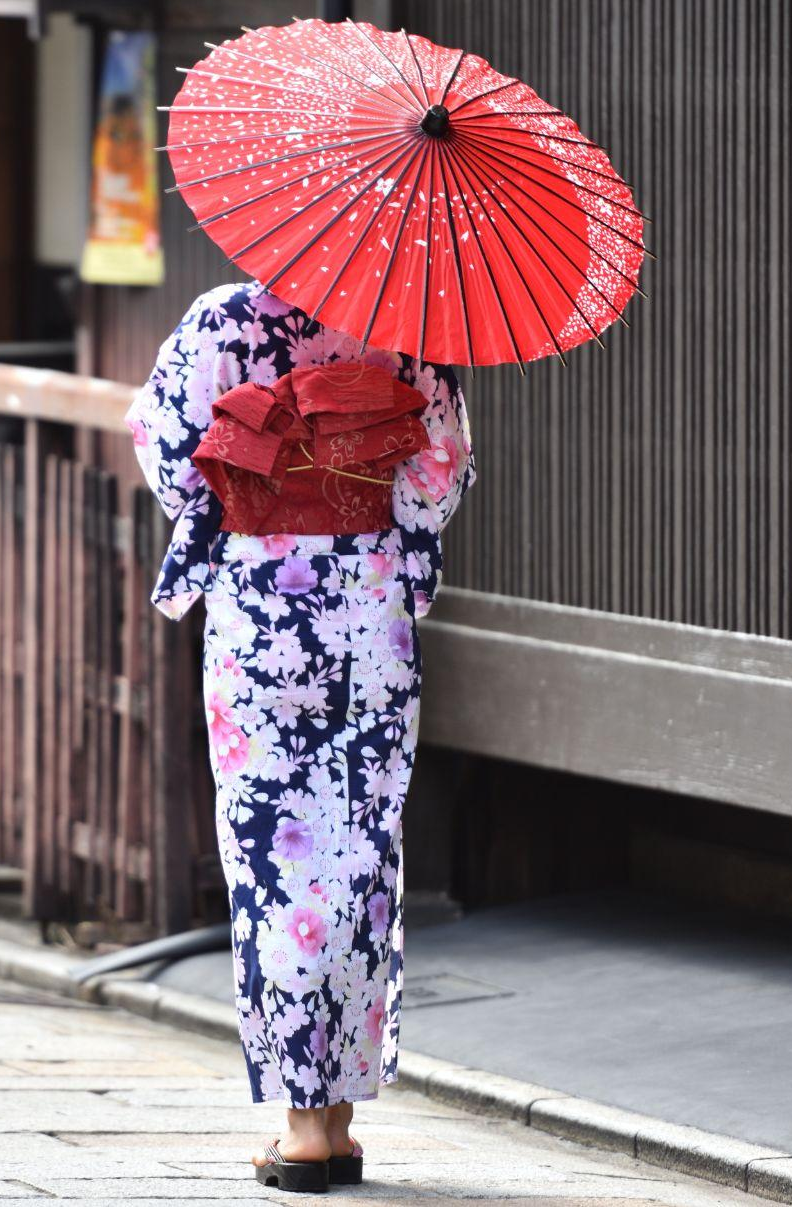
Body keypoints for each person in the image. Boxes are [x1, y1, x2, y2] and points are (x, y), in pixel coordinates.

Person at [126, 280, 474, 1193]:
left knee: (274, 855)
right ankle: (339, 1120)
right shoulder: (410, 332)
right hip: (367, 614)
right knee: (358, 855)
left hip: (258, 613)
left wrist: (253, 495)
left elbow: (165, 448)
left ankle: (301, 1127)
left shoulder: (220, 320)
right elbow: (439, 478)